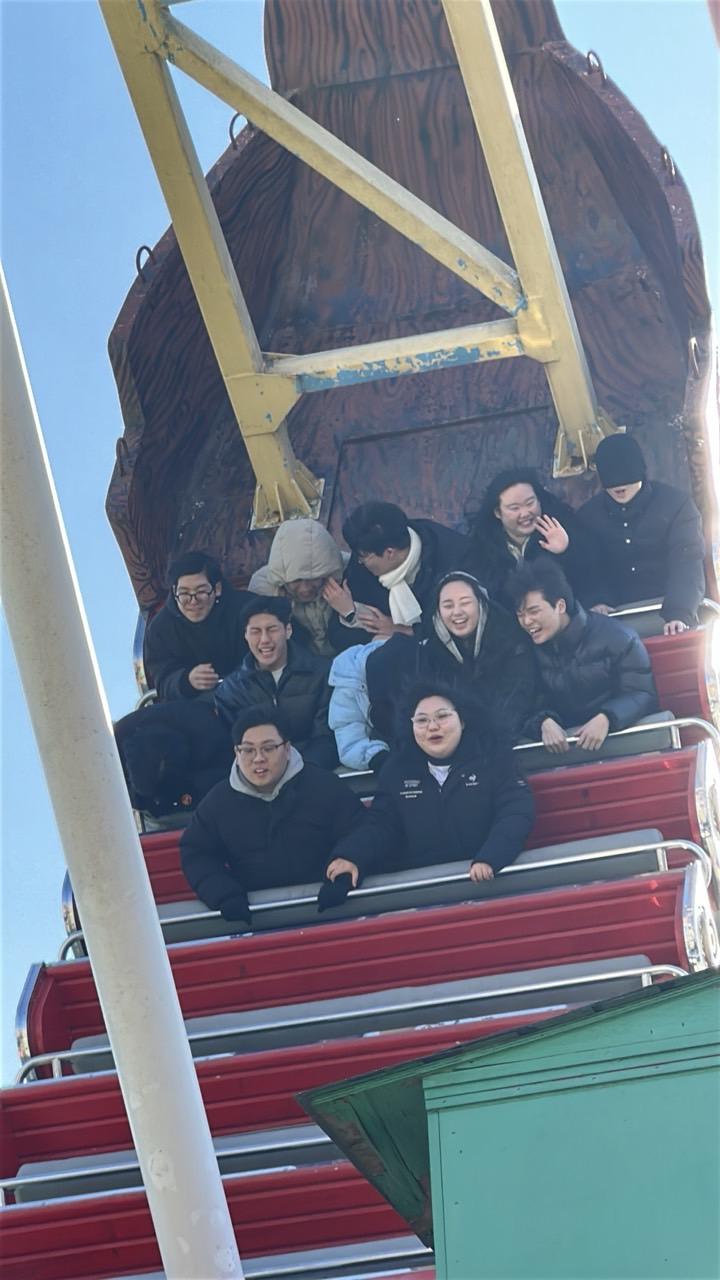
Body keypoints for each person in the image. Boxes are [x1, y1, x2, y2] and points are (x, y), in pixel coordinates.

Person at [328, 682, 535, 884]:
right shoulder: (397, 770)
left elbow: (515, 812)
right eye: (422, 720)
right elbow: (381, 824)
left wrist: (491, 857)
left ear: (462, 720)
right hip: (424, 886)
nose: (433, 727)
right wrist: (351, 855)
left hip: (480, 879)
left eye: (442, 716)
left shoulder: (494, 759)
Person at [180, 707, 369, 925]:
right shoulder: (218, 802)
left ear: (287, 748)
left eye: (268, 748)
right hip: (255, 919)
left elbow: (360, 829)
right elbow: (196, 852)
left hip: (330, 909)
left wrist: (346, 867)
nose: (258, 758)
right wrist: (224, 894)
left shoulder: (324, 786)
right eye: (248, 750)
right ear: (236, 753)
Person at [366, 571, 536, 745]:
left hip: (500, 740)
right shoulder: (428, 655)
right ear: (438, 612)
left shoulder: (512, 643)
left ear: (481, 604)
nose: (457, 612)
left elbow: (515, 705)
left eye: (465, 603)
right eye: (448, 606)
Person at [509, 561, 658, 753]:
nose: (527, 621)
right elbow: (522, 704)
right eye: (520, 614)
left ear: (560, 606)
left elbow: (642, 693)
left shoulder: (618, 637)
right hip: (565, 754)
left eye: (534, 611)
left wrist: (607, 717)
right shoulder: (526, 650)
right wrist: (543, 722)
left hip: (621, 743)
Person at [578, 433, 705, 634]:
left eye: (626, 477)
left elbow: (687, 562)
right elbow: (588, 565)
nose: (620, 487)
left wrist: (680, 612)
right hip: (614, 619)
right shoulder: (588, 517)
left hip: (671, 611)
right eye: (612, 480)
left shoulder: (676, 505)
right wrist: (596, 600)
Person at [214, 597, 338, 769]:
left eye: (272, 629)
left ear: (288, 630)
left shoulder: (321, 673)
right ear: (245, 635)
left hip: (311, 770)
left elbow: (325, 738)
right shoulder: (231, 690)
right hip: (258, 773)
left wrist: (297, 771)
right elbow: (234, 748)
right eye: (255, 631)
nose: (264, 639)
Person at [467, 468, 602, 611]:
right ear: (498, 512)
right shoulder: (482, 548)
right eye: (514, 508)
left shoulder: (563, 526)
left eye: (530, 503)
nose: (525, 513)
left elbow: (590, 580)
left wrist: (566, 550)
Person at [342, 501, 471, 637]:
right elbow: (341, 636)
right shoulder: (366, 552)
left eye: (363, 556)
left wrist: (405, 631)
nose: (359, 561)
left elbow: (464, 625)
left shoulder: (458, 564)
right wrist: (351, 612)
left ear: (390, 553)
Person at [248, 518, 369, 657]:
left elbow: (375, 627)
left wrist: (351, 611)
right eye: (296, 581)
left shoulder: (350, 572)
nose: (305, 588)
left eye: (313, 579)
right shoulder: (265, 588)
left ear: (327, 573)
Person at [143, 550, 254, 700]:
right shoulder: (159, 629)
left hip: (251, 695)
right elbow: (162, 681)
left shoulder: (250, 609)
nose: (193, 601)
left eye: (201, 591)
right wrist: (186, 680)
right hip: (196, 705)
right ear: (174, 591)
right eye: (184, 593)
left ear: (217, 589)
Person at [114, 700, 233, 818]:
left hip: (218, 737)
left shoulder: (118, 746)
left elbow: (171, 747)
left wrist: (164, 795)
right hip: (213, 756)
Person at [328, 639, 390, 773]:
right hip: (382, 757)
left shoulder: (422, 663)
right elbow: (350, 742)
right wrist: (379, 757)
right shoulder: (350, 680)